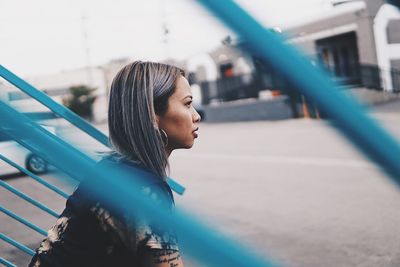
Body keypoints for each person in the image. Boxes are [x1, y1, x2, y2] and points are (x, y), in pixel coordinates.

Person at [29, 61, 201, 267]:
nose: (196, 115)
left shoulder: (114, 170)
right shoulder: (145, 190)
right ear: (151, 114)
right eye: (187, 103)